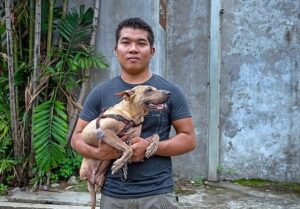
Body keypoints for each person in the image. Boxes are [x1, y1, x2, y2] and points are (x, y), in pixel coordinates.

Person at [71, 17, 196, 209]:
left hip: (157, 194)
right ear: (116, 50)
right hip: (112, 195)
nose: (133, 49)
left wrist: (150, 147)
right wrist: (98, 152)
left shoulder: (168, 92)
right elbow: (76, 138)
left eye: (141, 43)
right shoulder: (100, 92)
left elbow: (188, 139)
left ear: (152, 51)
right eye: (126, 42)